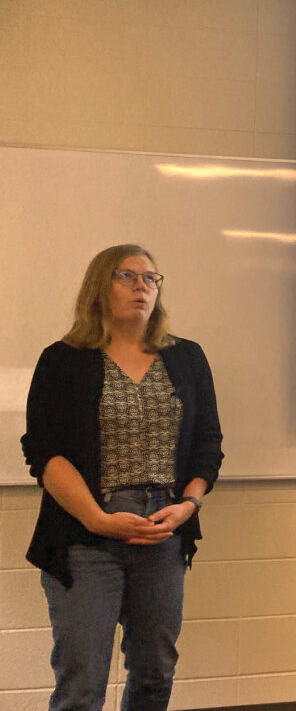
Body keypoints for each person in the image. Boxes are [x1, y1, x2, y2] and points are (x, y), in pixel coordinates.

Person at [21, 243, 224, 711]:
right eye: (127, 276)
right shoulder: (63, 359)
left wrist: (188, 505)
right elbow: (43, 451)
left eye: (151, 278)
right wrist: (97, 519)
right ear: (99, 286)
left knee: (155, 672)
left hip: (163, 531)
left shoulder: (187, 358)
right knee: (82, 685)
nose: (142, 286)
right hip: (85, 535)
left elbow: (207, 444)